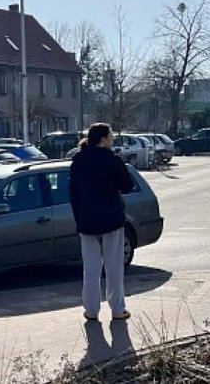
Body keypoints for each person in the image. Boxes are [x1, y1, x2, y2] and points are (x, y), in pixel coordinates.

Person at [69, 123, 134, 321]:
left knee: (90, 268)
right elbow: (127, 186)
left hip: (87, 221)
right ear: (104, 138)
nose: (112, 139)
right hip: (111, 219)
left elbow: (73, 193)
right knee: (114, 267)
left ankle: (91, 310)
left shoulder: (78, 160)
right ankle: (117, 309)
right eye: (111, 135)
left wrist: (79, 219)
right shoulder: (112, 159)